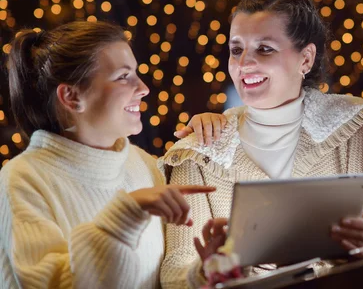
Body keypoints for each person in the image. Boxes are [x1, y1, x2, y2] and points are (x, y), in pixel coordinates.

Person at [159, 0, 363, 288]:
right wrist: (207, 273)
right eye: (236, 49)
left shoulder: (347, 123)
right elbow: (176, 268)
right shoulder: (199, 150)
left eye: (264, 49)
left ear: (305, 59)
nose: (244, 64)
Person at [0, 21, 215, 289]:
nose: (144, 88)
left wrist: (202, 274)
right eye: (124, 76)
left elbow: (161, 278)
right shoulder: (22, 180)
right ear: (71, 96)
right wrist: (123, 217)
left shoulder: (144, 165)